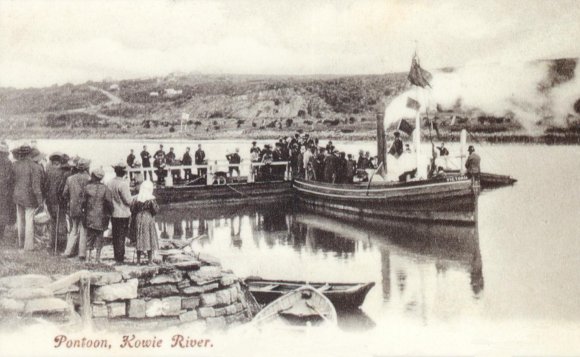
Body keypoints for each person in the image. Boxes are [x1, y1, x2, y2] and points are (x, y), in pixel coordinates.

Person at [12, 144, 44, 251]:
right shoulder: (34, 166)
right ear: (30, 153)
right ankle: (28, 246)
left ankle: (21, 244)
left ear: (21, 153)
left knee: (20, 220)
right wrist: (40, 201)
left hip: (17, 196)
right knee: (29, 221)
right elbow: (36, 186)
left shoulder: (15, 164)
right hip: (30, 198)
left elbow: (12, 181)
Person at [82, 167, 113, 263]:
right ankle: (97, 259)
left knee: (89, 237)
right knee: (99, 237)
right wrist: (110, 213)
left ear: (93, 176)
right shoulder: (105, 189)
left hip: (89, 216)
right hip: (101, 217)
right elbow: (109, 203)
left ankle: (88, 258)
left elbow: (83, 202)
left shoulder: (87, 187)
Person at [62, 158, 91, 258]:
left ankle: (68, 251)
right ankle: (82, 253)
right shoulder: (89, 179)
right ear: (86, 168)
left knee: (74, 229)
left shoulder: (70, 179)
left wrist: (71, 200)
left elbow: (65, 194)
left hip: (73, 207)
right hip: (85, 208)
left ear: (77, 168)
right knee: (83, 230)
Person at [107, 162, 133, 264]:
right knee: (122, 235)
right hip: (123, 213)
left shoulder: (110, 182)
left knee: (116, 235)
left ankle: (117, 256)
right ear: (124, 172)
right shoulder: (123, 184)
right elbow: (128, 201)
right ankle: (120, 257)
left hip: (113, 212)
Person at [130, 180, 159, 265]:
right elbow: (155, 210)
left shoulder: (136, 198)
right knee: (149, 237)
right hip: (148, 218)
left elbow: (132, 209)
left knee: (139, 237)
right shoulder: (151, 199)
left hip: (138, 218)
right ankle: (150, 261)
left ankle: (138, 261)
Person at [45, 152, 69, 252]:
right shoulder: (63, 173)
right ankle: (61, 246)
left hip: (50, 201)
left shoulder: (49, 172)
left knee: (53, 223)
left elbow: (45, 186)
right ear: (60, 162)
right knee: (61, 224)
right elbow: (62, 189)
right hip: (59, 202)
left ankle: (51, 244)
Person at [0, 141, 15, 241]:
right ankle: (0, 234)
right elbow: (10, 179)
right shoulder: (8, 162)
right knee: (3, 213)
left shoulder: (8, 162)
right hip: (4, 192)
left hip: (4, 191)